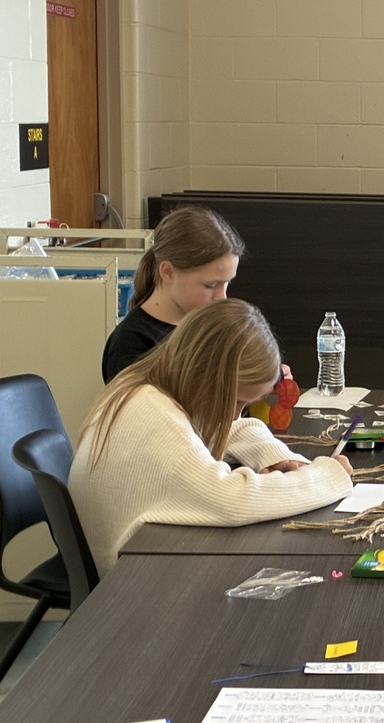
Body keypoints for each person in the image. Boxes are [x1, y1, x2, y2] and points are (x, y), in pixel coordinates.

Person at [71, 299, 354, 577]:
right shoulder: (157, 423)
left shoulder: (148, 384)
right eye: (237, 401)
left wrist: (276, 456)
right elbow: (233, 500)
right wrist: (328, 476)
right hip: (125, 584)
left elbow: (223, 427)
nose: (235, 415)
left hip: (135, 562)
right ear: (204, 377)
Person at [101, 206, 245, 383]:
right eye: (211, 285)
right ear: (168, 272)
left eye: (227, 283)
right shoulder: (130, 345)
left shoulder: (207, 326)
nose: (222, 297)